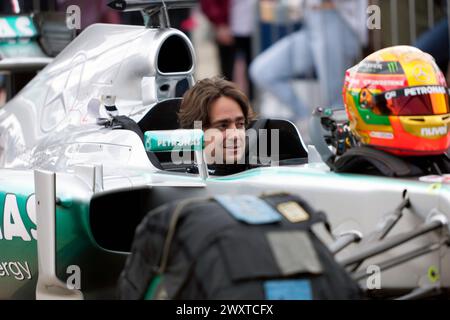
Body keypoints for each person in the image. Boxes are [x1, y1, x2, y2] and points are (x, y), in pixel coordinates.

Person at [336, 45, 450, 176]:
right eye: (410, 106)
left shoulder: (439, 163)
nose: (433, 116)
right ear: (367, 105)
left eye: (435, 102)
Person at [250, 0, 367, 127]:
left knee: (335, 100)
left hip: (337, 22)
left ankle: (338, 138)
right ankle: (309, 120)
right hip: (311, 25)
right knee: (262, 71)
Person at [178, 77, 255, 175]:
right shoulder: (180, 183)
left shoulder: (263, 172)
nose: (235, 136)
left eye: (240, 124)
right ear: (196, 130)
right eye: (223, 126)